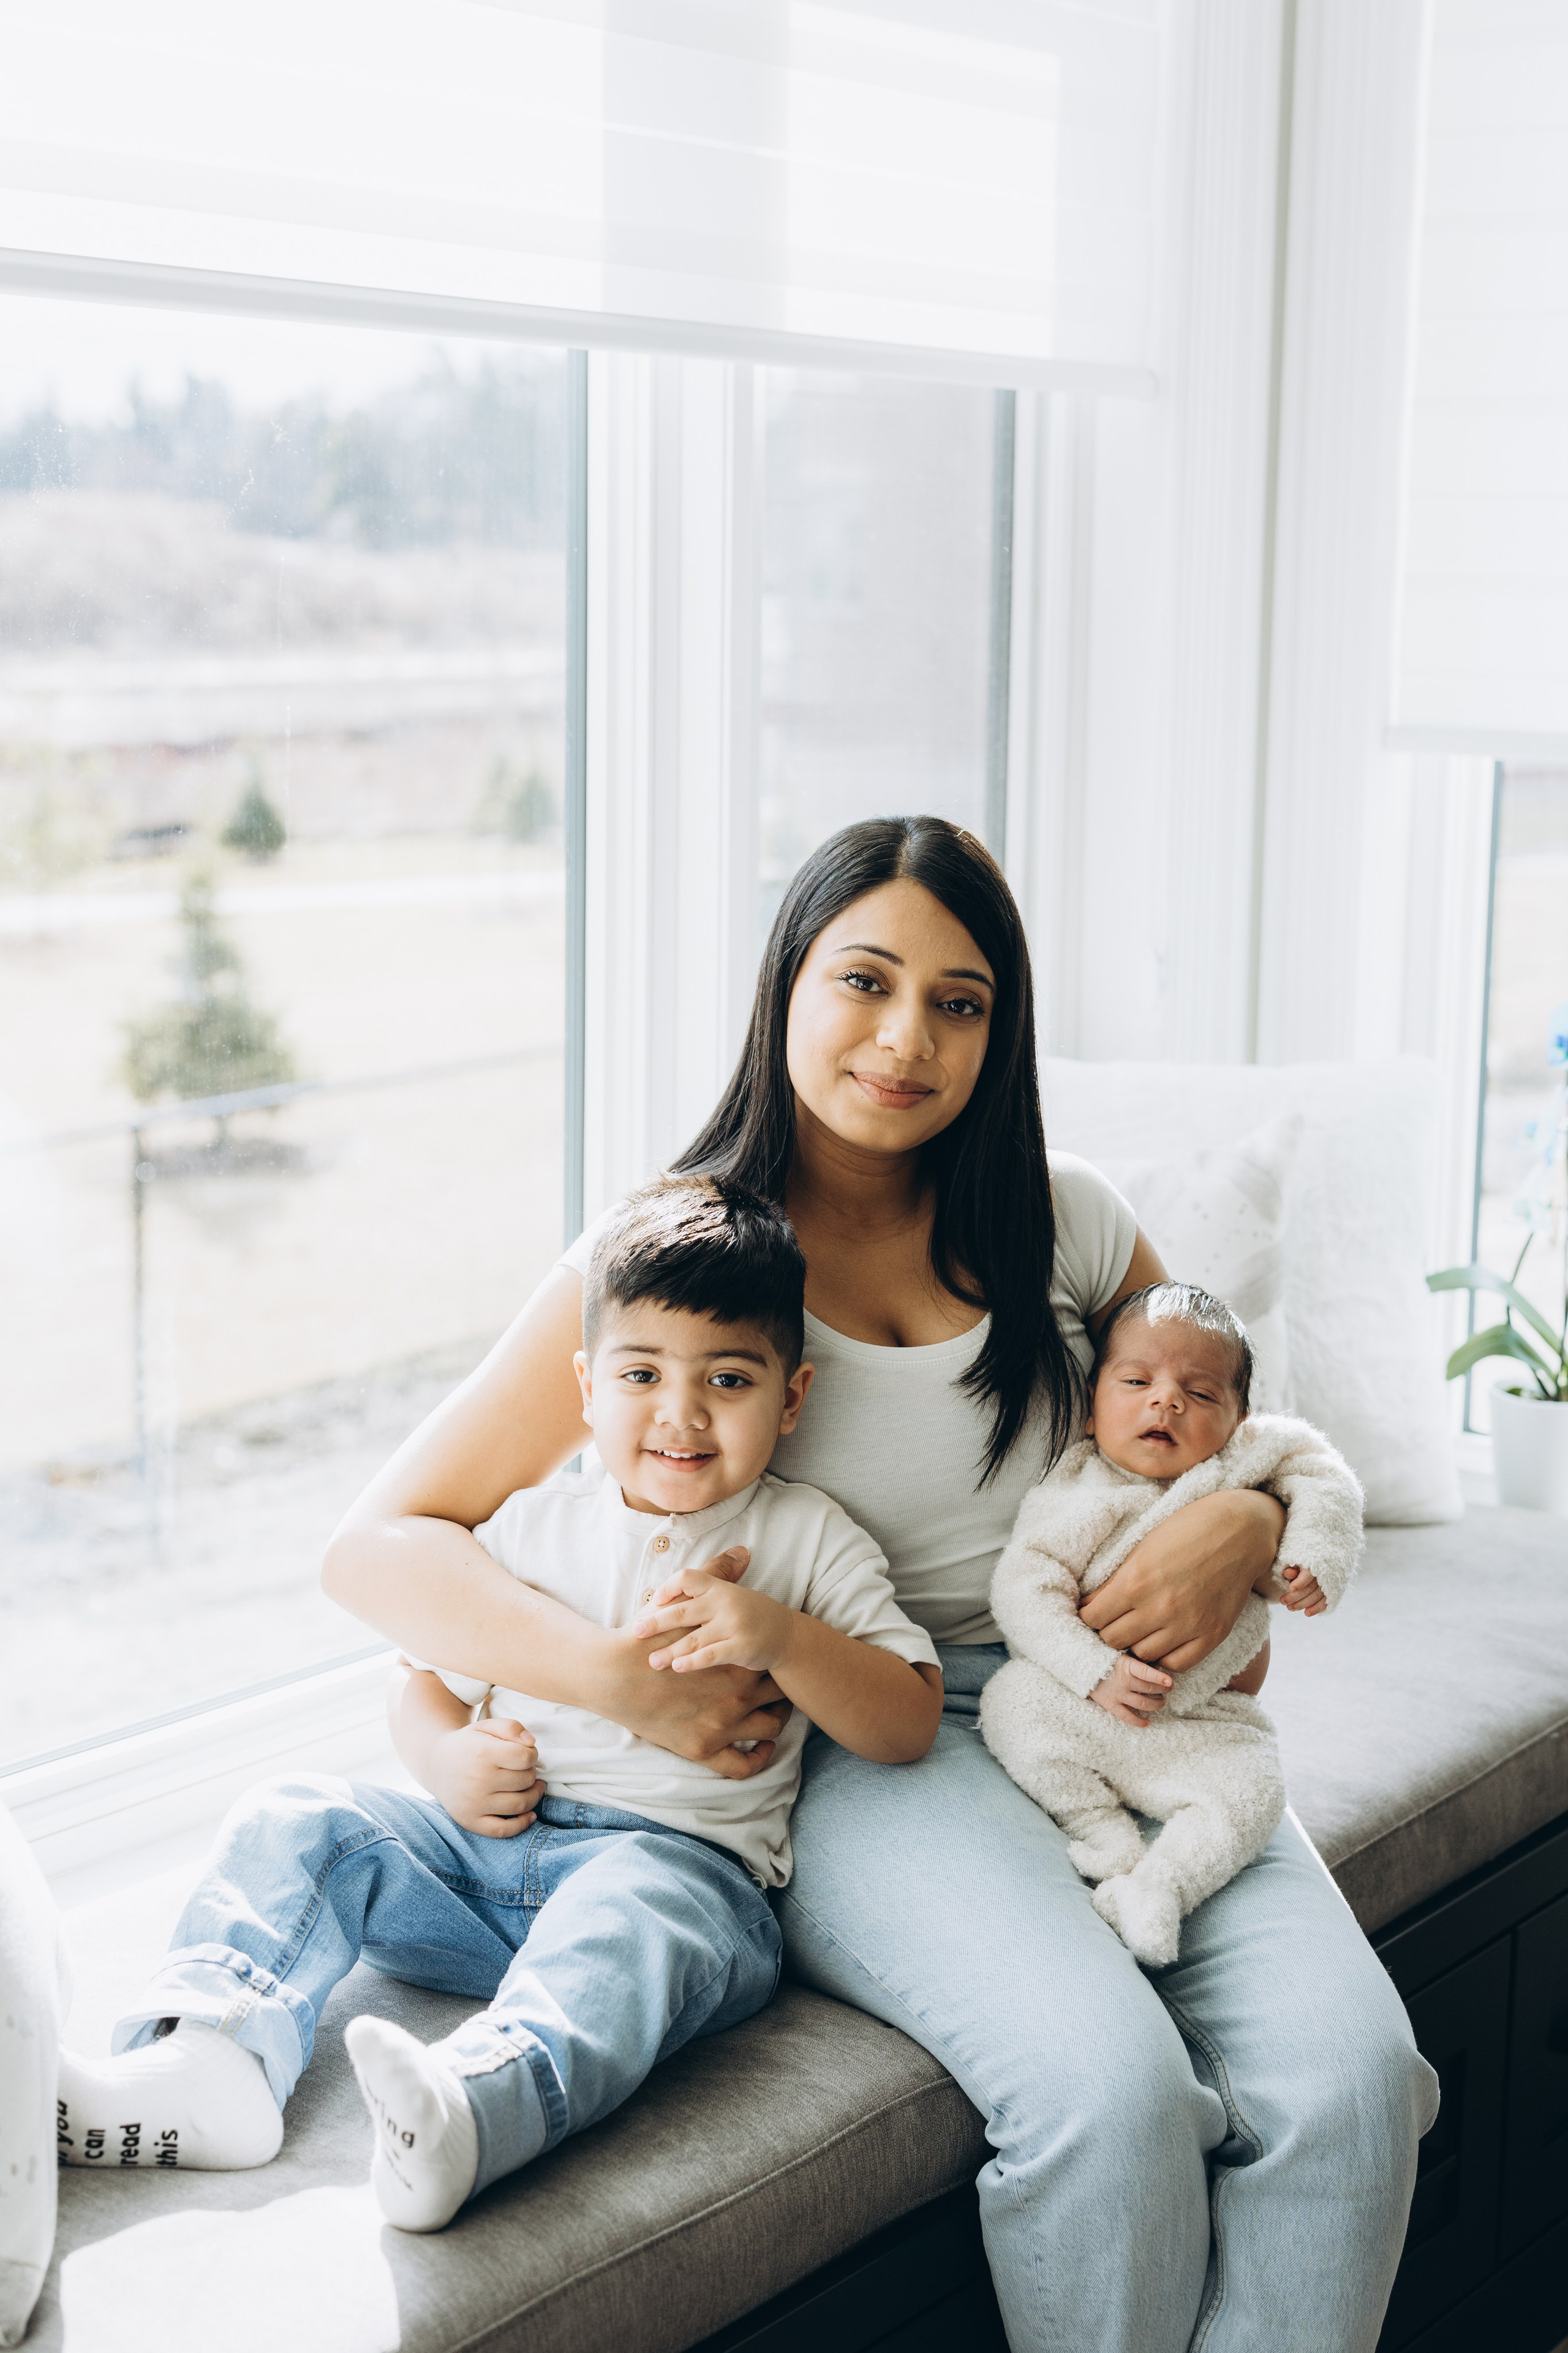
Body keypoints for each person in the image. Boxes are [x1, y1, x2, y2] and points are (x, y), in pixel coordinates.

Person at [320, 815, 1438, 2351]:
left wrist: (1240, 1520)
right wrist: (620, 1681)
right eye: (863, 979)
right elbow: (378, 1547)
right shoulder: (673, 1259)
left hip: (1116, 1706)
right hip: (862, 1745)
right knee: (1106, 2097)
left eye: (960, 1000)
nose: (906, 1037)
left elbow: (1230, 1413)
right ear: (787, 980)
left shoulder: (1068, 1215)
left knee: (1357, 2082)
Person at [55, 1178, 940, 2232]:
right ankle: (211, 2053)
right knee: (299, 1814)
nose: (681, 1412)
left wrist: (786, 1638)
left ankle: (471, 2109)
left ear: (791, 1398)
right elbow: (420, 1675)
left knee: (623, 1928)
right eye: (642, 1372)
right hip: (483, 1872)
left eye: (730, 1378)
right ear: (587, 1386)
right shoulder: (531, 1526)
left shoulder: (809, 1541)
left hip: (680, 1877)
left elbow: (908, 1719)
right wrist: (439, 1762)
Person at [981, 1281, 1363, 1967]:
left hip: (1203, 1722)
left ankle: (1161, 1886)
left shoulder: (1244, 1462)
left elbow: (1323, 1473)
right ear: (1092, 1409)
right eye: (1136, 1380)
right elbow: (1022, 1589)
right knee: (1011, 1704)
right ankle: (1104, 1837)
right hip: (1083, 1705)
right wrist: (1092, 1670)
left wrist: (1314, 1553)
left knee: (1255, 1788)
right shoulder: (1074, 1489)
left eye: (1202, 1393)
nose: (1166, 1400)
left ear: (1240, 1418)